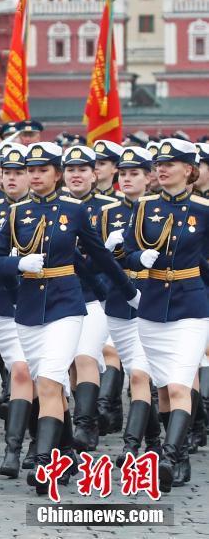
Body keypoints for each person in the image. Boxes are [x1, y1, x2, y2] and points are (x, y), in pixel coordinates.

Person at [0, 141, 139, 496]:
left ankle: (43, 462)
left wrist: (128, 290)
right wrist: (16, 264)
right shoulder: (15, 213)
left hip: (66, 305)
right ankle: (66, 449)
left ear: (56, 174)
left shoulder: (74, 210)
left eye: (42, 170)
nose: (35, 176)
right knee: (44, 386)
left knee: (52, 380)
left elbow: (98, 256)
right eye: (30, 170)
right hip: (27, 308)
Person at [121, 137, 209, 492]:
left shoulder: (204, 210)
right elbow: (125, 252)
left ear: (188, 170)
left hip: (191, 305)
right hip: (153, 304)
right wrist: (136, 258)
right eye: (158, 163)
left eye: (169, 163)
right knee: (163, 388)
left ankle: (169, 456)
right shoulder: (143, 207)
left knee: (178, 383)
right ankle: (182, 453)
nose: (161, 168)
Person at [99, 145, 157, 462]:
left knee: (139, 375)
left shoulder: (162, 212)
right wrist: (106, 251)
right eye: (123, 174)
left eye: (135, 173)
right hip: (119, 304)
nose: (127, 179)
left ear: (149, 177)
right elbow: (95, 263)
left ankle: (131, 445)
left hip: (153, 301)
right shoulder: (109, 214)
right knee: (137, 375)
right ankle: (155, 441)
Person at [0, 144, 35, 478]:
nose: (12, 178)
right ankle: (37, 443)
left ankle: (20, 448)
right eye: (7, 173)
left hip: (44, 302)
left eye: (19, 173)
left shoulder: (51, 208)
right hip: (2, 302)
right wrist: (13, 263)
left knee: (33, 375)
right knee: (22, 372)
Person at [62, 145, 115, 452]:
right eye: (71, 169)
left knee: (85, 356)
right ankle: (83, 416)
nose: (76, 175)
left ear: (95, 174)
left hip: (97, 295)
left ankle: (84, 424)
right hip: (61, 293)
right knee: (68, 362)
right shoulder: (52, 206)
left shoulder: (110, 207)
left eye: (83, 169)